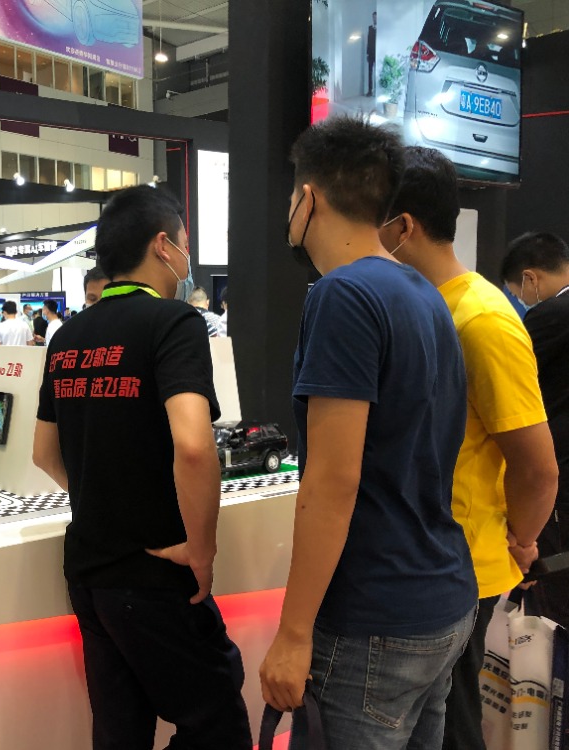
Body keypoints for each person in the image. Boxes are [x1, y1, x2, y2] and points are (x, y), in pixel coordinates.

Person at [259, 118, 479, 749]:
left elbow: (333, 479)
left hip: (372, 618)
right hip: (442, 597)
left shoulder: (343, 295)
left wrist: (293, 634)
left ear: (308, 199)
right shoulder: (425, 293)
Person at [33, 185, 253, 750]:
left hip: (88, 570)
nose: (186, 255)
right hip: (155, 572)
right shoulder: (174, 322)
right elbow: (195, 446)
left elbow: (43, 453)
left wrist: (102, 496)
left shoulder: (67, 337)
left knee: (119, 733)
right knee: (217, 724)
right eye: (184, 243)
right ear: (162, 245)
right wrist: (201, 550)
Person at [380, 148, 559, 750]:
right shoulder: (426, 306)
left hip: (466, 567)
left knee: (454, 727)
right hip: (425, 558)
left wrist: (524, 541)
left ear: (402, 226)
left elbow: (537, 466)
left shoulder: (482, 319)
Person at [501, 231, 569, 627]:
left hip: (558, 470)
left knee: (553, 607)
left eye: (518, 293)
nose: (523, 300)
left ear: (531, 278)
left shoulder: (550, 315)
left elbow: (513, 385)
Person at [366, 12, 377, 97]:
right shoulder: (370, 28)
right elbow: (368, 41)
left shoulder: (380, 29)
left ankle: (377, 91)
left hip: (378, 53)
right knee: (370, 73)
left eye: (375, 17)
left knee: (377, 72)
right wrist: (367, 53)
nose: (374, 19)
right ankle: (370, 90)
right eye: (373, 17)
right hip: (371, 53)